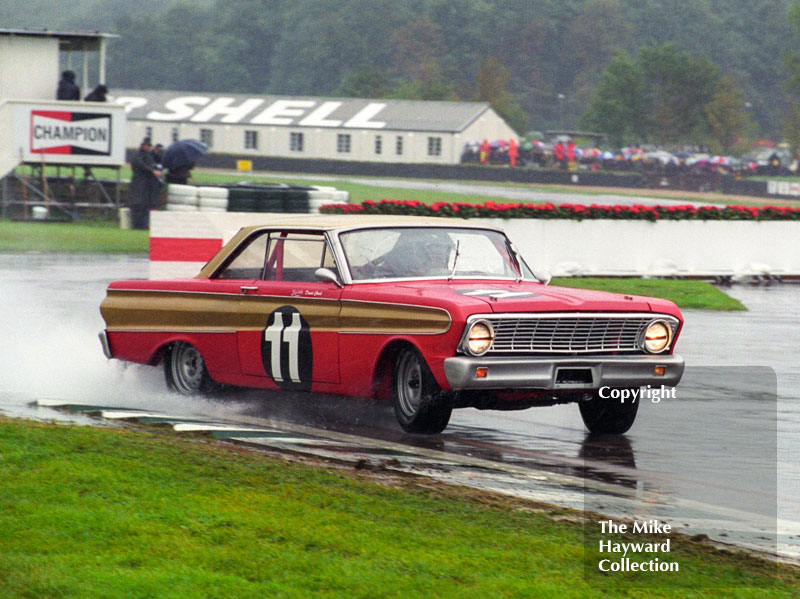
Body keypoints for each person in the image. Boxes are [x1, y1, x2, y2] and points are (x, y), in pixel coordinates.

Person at [129, 137, 162, 230]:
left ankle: (143, 225)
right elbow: (141, 165)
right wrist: (152, 171)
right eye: (146, 146)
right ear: (143, 146)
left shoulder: (148, 156)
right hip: (139, 184)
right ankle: (137, 225)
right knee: (138, 205)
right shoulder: (138, 156)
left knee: (145, 206)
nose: (148, 148)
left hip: (147, 185)